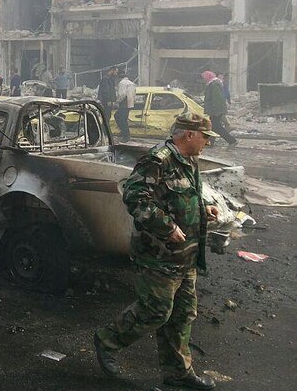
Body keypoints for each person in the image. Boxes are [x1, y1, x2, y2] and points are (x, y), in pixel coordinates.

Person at [94, 113, 221, 391]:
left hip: (186, 256)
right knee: (156, 311)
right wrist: (167, 227)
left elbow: (183, 194)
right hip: (158, 255)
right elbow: (135, 197)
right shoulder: (157, 160)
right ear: (189, 135)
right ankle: (107, 340)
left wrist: (203, 209)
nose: (207, 144)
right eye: (205, 137)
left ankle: (178, 373)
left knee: (182, 315)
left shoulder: (189, 160)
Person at [201, 71, 237, 149]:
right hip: (215, 110)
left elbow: (217, 99)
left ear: (208, 77)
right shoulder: (212, 84)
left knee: (217, 127)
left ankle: (232, 141)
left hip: (216, 110)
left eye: (204, 78)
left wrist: (217, 111)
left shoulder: (214, 84)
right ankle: (210, 143)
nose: (203, 80)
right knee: (212, 127)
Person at [115, 72, 136, 142]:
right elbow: (134, 94)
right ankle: (124, 132)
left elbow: (122, 94)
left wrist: (117, 101)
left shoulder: (122, 83)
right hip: (130, 104)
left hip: (123, 104)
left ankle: (126, 136)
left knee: (121, 119)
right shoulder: (131, 83)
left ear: (119, 77)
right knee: (121, 118)